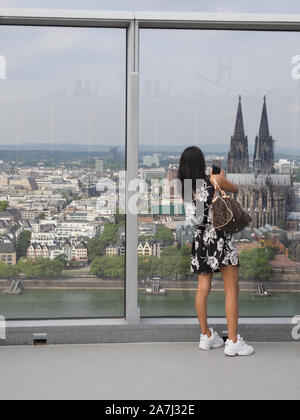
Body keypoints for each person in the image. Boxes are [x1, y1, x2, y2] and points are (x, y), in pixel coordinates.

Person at [178, 146, 254, 357]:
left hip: (201, 240)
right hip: (220, 239)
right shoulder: (213, 181)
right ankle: (232, 341)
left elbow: (196, 218)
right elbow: (236, 189)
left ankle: (206, 336)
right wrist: (221, 178)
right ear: (201, 163)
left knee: (203, 289)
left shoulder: (185, 187)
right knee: (231, 289)